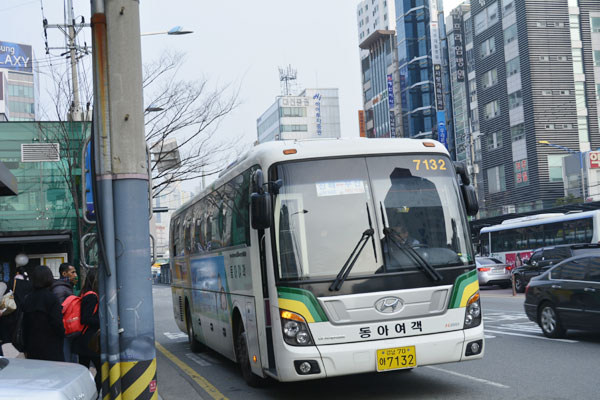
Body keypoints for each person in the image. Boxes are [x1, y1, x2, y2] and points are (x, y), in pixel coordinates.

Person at [22, 265, 65, 361]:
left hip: (32, 345)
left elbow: (24, 325)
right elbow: (57, 323)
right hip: (51, 345)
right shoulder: (52, 298)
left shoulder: (28, 298)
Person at [74, 270, 101, 392]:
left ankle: (85, 393)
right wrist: (103, 322)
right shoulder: (91, 296)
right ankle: (93, 393)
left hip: (83, 339)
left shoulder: (84, 293)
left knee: (83, 371)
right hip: (89, 341)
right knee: (102, 370)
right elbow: (86, 318)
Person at [51, 262, 79, 363]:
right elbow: (58, 309)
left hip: (69, 329)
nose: (75, 275)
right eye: (73, 272)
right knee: (67, 358)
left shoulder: (67, 287)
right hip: (65, 329)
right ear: (64, 274)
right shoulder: (60, 289)